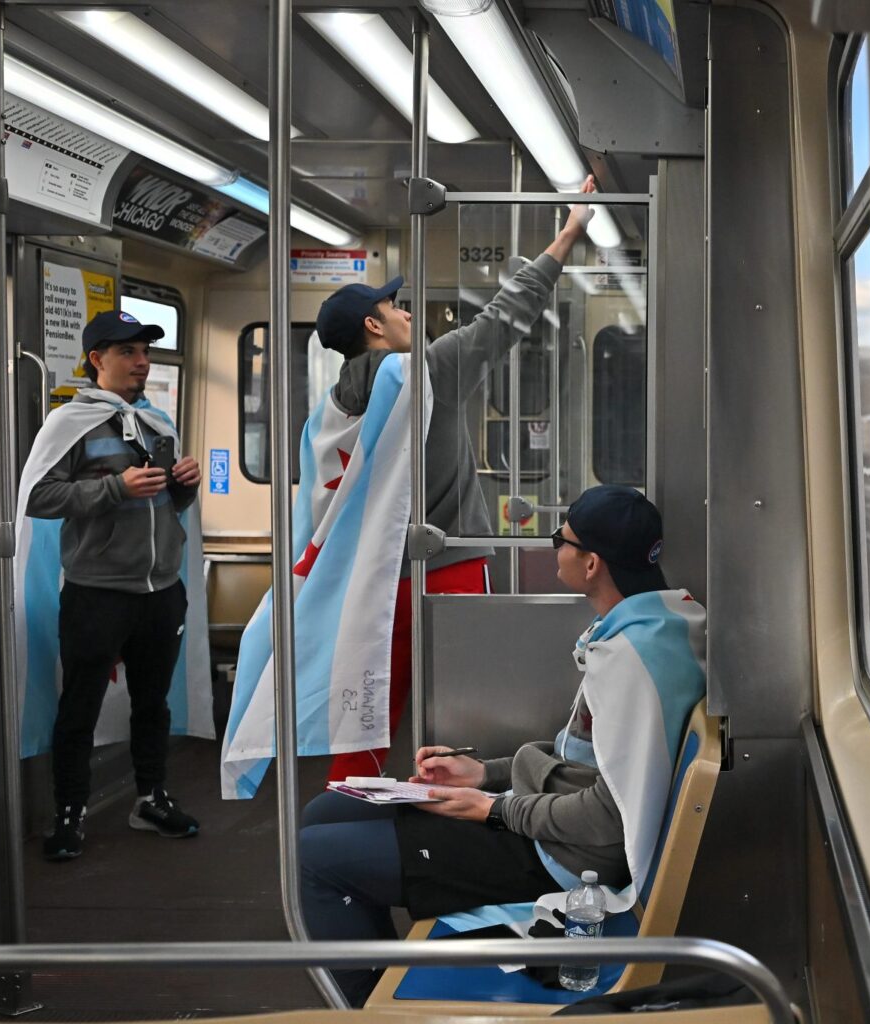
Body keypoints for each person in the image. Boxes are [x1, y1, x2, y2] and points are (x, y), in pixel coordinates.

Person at [296, 486, 706, 1005]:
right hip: (544, 822)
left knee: (317, 858)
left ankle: (365, 1011)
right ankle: (381, 985)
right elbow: (581, 761)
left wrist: (493, 808)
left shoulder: (631, 660)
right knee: (326, 811)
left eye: (562, 538)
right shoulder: (660, 624)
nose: (554, 546)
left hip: (555, 855)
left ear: (591, 565)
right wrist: (484, 773)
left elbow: (607, 822)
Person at [312, 177, 601, 782]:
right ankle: (452, 823)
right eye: (395, 307)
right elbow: (505, 318)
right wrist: (569, 233)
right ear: (373, 325)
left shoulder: (329, 410)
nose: (408, 313)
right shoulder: (427, 373)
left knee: (365, 719)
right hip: (447, 569)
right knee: (462, 717)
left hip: (365, 582)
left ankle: (345, 818)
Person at [23, 310, 205, 861]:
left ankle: (150, 796)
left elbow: (169, 509)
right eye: (128, 352)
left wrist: (184, 488)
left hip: (160, 588)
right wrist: (113, 491)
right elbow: (39, 498)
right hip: (97, 589)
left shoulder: (158, 424)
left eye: (145, 352)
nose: (142, 362)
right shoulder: (70, 423)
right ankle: (69, 813)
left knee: (152, 703)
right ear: (96, 360)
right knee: (79, 704)